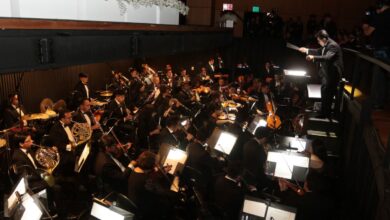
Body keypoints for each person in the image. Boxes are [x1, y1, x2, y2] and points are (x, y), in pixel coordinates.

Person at [299, 29, 343, 118]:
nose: (318, 42)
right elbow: (319, 51)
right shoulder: (326, 45)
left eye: (319, 40)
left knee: (328, 94)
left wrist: (313, 57)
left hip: (333, 75)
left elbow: (327, 58)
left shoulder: (333, 46)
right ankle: (324, 112)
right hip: (327, 74)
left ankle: (325, 114)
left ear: (324, 39)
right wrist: (306, 50)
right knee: (324, 92)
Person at [362, 0, 390, 109]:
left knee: (379, 77)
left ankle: (378, 102)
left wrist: (365, 25)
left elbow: (367, 32)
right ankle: (383, 100)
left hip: (382, 50)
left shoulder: (380, 16)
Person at [49, 109, 77, 176]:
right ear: (62, 119)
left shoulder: (68, 124)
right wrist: (71, 146)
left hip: (71, 148)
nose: (71, 119)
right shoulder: (55, 129)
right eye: (69, 118)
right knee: (74, 160)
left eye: (71, 117)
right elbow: (57, 144)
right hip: (62, 152)